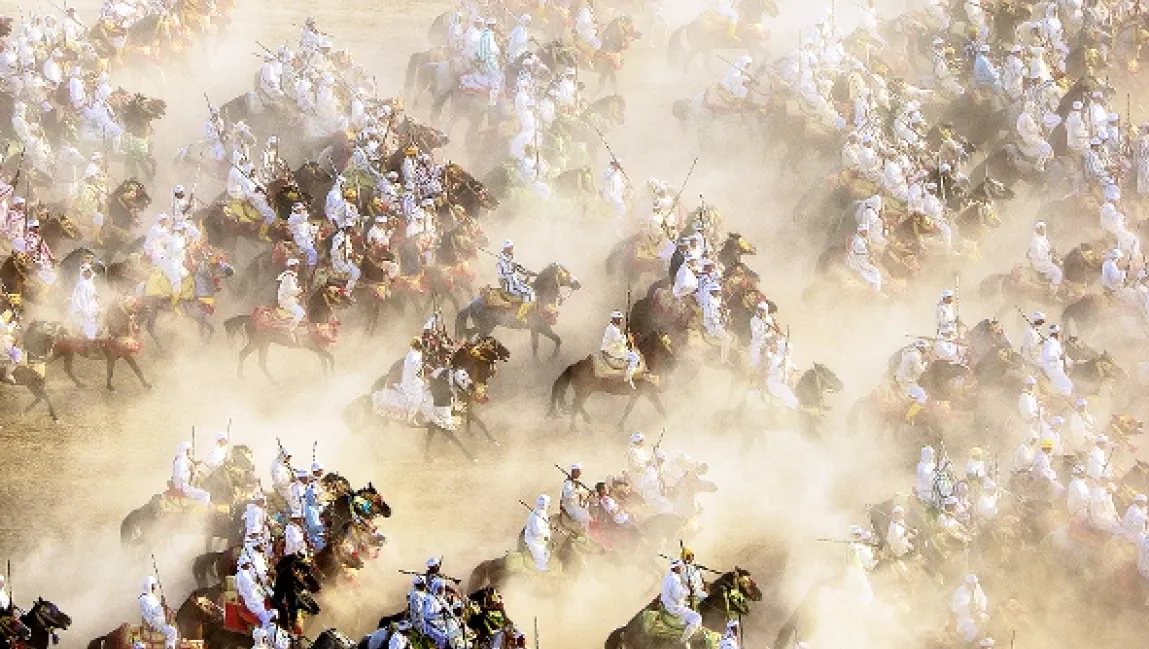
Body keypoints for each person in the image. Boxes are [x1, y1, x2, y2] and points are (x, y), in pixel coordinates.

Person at [660, 560, 702, 644]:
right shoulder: (674, 580)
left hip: (668, 603)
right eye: (680, 567)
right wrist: (688, 590)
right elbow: (678, 596)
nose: (682, 568)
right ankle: (683, 640)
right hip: (674, 608)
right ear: (676, 568)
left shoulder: (668, 576)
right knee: (697, 618)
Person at [496, 240, 535, 323]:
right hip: (510, 285)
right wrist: (512, 268)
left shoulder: (509, 259)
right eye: (510, 248)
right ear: (506, 249)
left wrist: (532, 273)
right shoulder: (501, 262)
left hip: (516, 282)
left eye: (512, 248)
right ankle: (520, 317)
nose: (512, 250)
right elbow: (505, 275)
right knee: (530, 293)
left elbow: (521, 270)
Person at [236, 555, 276, 630]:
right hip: (253, 601)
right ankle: (264, 631)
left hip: (251, 598)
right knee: (266, 619)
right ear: (244, 564)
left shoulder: (241, 574)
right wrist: (262, 591)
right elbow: (251, 589)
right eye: (248, 563)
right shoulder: (244, 575)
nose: (250, 565)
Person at [601, 311, 639, 388]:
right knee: (635, 358)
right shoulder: (613, 330)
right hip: (611, 350)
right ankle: (627, 379)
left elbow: (619, 339)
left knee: (631, 352)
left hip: (613, 348)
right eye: (618, 319)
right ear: (614, 319)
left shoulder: (613, 327)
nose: (620, 320)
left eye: (620, 319)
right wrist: (626, 336)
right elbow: (620, 342)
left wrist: (624, 335)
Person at [896, 340, 930, 421]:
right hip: (906, 382)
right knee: (922, 396)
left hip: (904, 379)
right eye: (926, 349)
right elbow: (919, 371)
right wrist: (925, 364)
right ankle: (908, 417)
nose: (927, 351)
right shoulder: (915, 356)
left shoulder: (911, 354)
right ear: (922, 348)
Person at [139, 576, 177, 649]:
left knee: (173, 631)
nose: (155, 588)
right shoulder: (143, 599)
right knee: (171, 631)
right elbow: (152, 612)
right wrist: (161, 605)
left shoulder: (151, 597)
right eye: (153, 586)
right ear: (148, 586)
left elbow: (158, 610)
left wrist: (165, 608)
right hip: (153, 622)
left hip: (159, 621)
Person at [1028, 222, 1062, 295]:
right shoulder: (1035, 241)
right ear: (1037, 230)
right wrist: (1050, 252)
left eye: (1044, 229)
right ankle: (1052, 293)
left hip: (1046, 261)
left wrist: (1053, 253)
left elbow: (1048, 250)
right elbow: (1039, 255)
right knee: (1058, 273)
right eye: (1041, 229)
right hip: (1040, 263)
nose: (1043, 231)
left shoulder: (1043, 239)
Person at [951, 574, 988, 643]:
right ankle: (965, 645)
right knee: (972, 631)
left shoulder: (978, 590)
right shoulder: (960, 593)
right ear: (966, 584)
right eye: (970, 585)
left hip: (977, 614)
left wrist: (980, 607)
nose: (972, 587)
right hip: (963, 618)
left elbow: (983, 600)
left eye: (974, 585)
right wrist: (971, 607)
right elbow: (960, 608)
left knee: (990, 622)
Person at [69, 263, 101, 341]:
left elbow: (91, 296)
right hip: (83, 312)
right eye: (86, 272)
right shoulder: (81, 285)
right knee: (84, 333)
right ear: (82, 273)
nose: (88, 273)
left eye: (89, 272)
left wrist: (95, 297)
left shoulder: (90, 284)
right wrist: (81, 311)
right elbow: (77, 299)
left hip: (90, 312)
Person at [1041, 324, 1074, 397]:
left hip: (1057, 368)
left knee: (1068, 385)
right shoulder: (1050, 343)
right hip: (1052, 368)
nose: (1060, 334)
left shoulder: (1054, 342)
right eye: (1059, 332)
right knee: (1067, 385)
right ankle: (1063, 401)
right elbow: (1048, 357)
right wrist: (1059, 357)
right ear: (1056, 333)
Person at [277, 259, 305, 339]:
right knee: (301, 312)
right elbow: (290, 292)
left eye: (298, 266)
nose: (298, 267)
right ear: (292, 267)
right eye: (297, 266)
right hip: (285, 300)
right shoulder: (289, 277)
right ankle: (289, 329)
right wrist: (300, 290)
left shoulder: (291, 276)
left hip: (288, 298)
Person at [523, 494, 552, 571]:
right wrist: (546, 533)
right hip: (534, 540)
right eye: (547, 504)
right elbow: (537, 532)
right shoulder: (536, 517)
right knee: (540, 558)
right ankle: (541, 572)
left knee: (547, 553)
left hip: (540, 539)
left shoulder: (542, 514)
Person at [561, 464, 591, 531]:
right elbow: (568, 496)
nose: (580, 473)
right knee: (585, 518)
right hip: (570, 507)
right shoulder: (568, 483)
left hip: (578, 505)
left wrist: (590, 492)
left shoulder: (578, 481)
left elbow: (583, 492)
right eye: (578, 471)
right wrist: (576, 487)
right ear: (573, 472)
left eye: (580, 471)